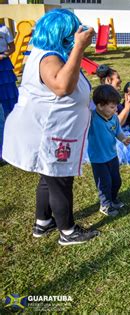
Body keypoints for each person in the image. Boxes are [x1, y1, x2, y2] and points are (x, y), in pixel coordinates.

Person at [2, 9, 99, 245]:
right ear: (63, 33)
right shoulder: (49, 57)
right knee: (60, 179)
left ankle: (43, 222)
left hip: (51, 130)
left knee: (49, 178)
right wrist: (78, 47)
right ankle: (68, 232)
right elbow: (62, 86)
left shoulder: (48, 52)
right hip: (49, 133)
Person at [88, 85, 130, 216]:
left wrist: (123, 139)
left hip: (112, 155)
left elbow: (118, 131)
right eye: (112, 107)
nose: (116, 109)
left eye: (116, 106)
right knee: (104, 183)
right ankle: (105, 205)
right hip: (98, 159)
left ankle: (113, 199)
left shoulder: (113, 119)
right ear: (100, 106)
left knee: (116, 180)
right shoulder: (92, 118)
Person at [0, 23, 18, 117]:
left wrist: (3, 55)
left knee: (8, 92)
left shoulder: (4, 29)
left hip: (4, 65)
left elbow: (12, 48)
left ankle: (11, 116)